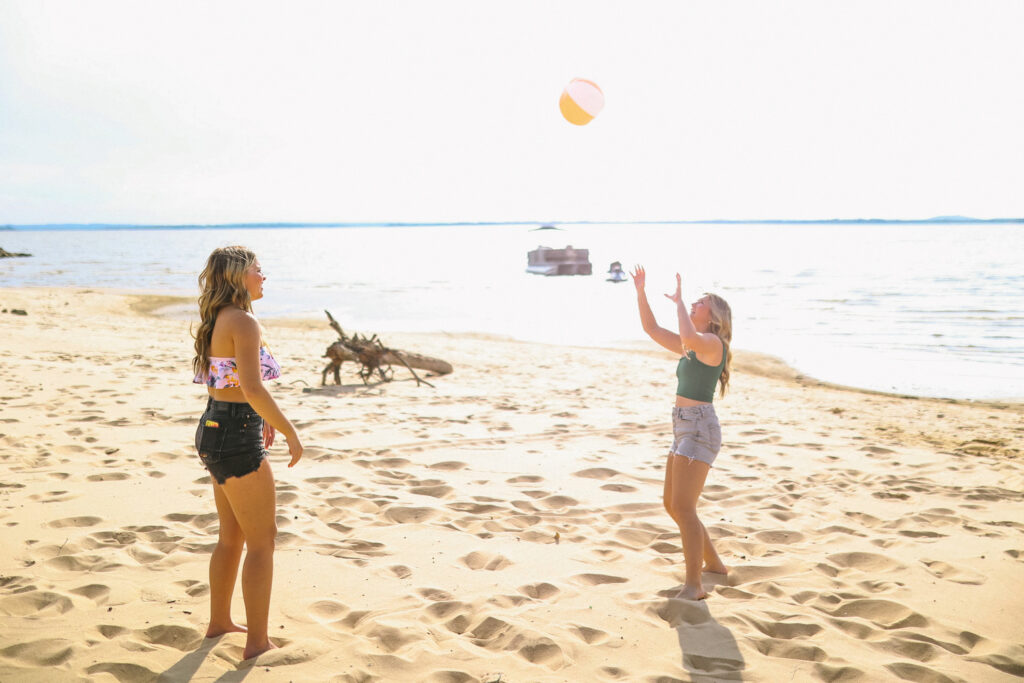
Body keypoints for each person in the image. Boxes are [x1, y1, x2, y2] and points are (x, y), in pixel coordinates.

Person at [191, 246, 303, 659]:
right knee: (262, 542)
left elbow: (225, 383)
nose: (263, 277)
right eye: (258, 270)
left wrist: (263, 419)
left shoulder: (219, 318)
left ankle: (220, 621)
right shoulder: (244, 321)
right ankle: (257, 642)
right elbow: (253, 388)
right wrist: (290, 430)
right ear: (239, 276)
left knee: (231, 536)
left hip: (215, 427)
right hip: (236, 435)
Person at [631, 265, 732, 600]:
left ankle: (694, 587)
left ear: (713, 315)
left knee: (684, 507)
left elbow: (689, 336)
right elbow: (650, 328)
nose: (693, 305)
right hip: (683, 425)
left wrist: (678, 300)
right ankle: (713, 564)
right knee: (672, 504)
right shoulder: (693, 347)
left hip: (700, 427)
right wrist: (641, 291)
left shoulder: (712, 343)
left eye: (699, 302)